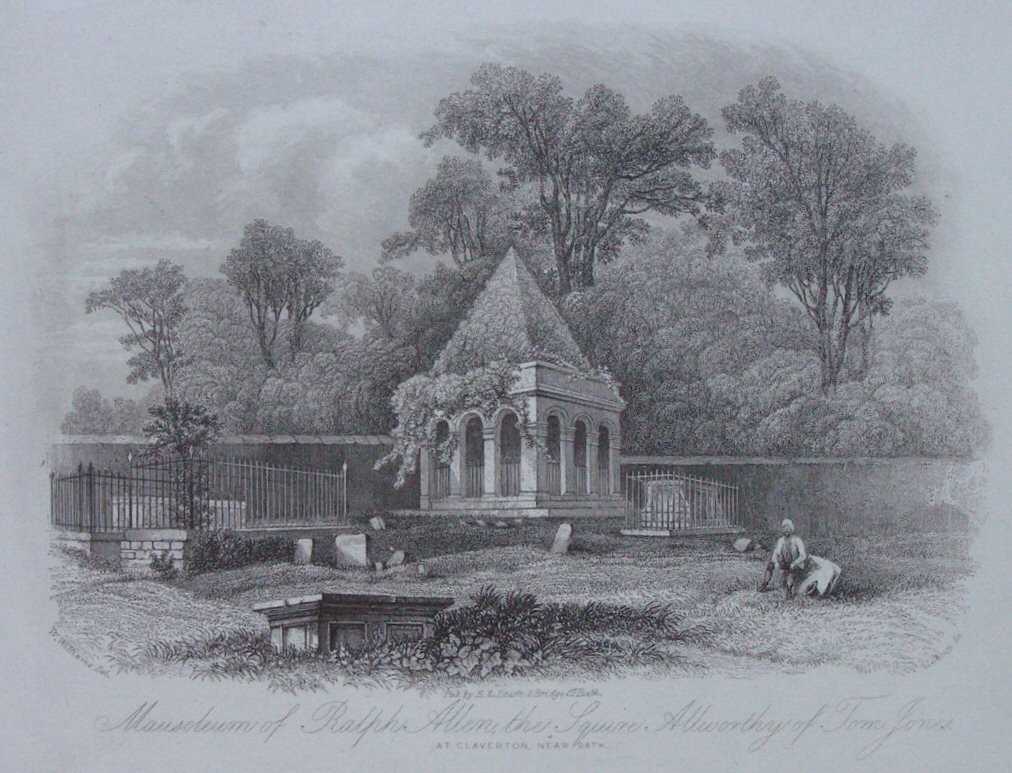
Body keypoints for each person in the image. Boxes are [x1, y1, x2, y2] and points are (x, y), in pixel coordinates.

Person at [759, 518, 808, 598]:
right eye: (784, 527)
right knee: (770, 565)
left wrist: (794, 563)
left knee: (792, 570)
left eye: (788, 527)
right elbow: (776, 553)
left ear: (791, 528)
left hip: (796, 564)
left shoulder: (797, 540)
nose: (786, 529)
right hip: (785, 563)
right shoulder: (781, 540)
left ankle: (789, 590)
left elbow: (803, 556)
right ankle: (765, 584)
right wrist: (776, 562)